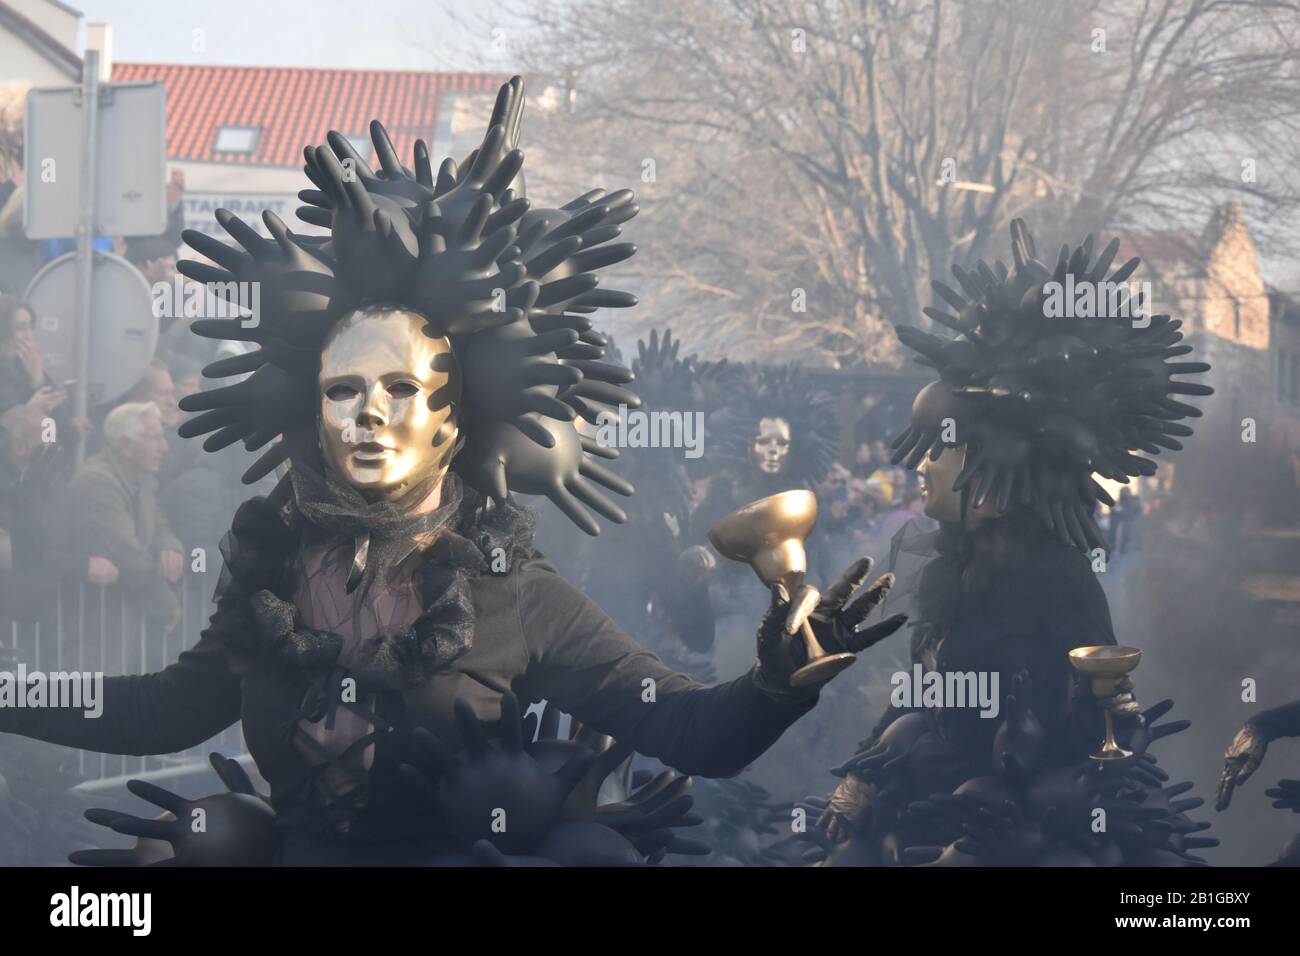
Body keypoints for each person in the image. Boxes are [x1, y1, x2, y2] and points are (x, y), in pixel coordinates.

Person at [0, 78, 904, 865]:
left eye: (401, 387)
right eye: (343, 388)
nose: (368, 415)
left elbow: (684, 729)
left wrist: (774, 689)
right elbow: (165, 710)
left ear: (453, 416)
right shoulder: (269, 562)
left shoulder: (510, 586)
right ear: (308, 406)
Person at [807, 221, 1217, 867]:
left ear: (990, 480)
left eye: (942, 450)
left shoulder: (1057, 576)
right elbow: (928, 692)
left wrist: (1112, 714)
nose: (921, 466)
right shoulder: (954, 566)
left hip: (1020, 823)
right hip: (929, 794)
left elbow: (1086, 734)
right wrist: (866, 767)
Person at [57, 402, 182, 651]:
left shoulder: (139, 479)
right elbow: (127, 554)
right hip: (89, 621)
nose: (164, 448)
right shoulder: (97, 482)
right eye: (155, 438)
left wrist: (170, 546)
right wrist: (167, 605)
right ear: (126, 445)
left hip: (116, 618)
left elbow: (158, 524)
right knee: (96, 686)